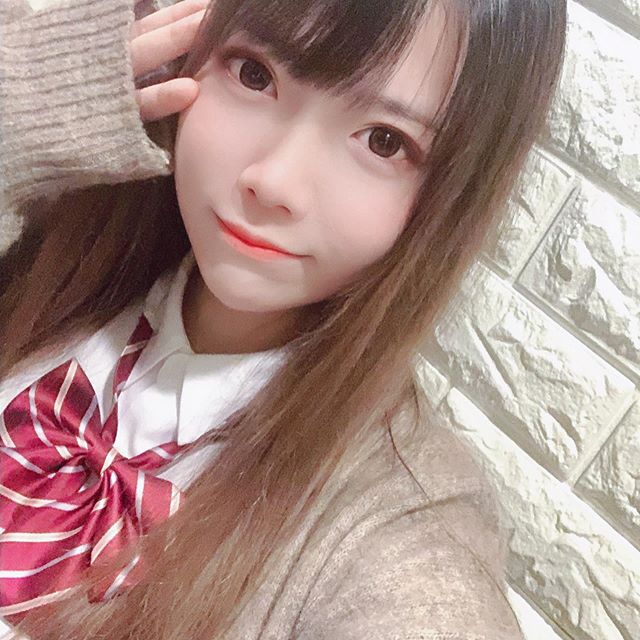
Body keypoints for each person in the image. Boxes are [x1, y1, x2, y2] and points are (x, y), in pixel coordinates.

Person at [0, 0, 567, 637]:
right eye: (254, 74)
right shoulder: (60, 252)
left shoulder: (394, 534)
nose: (273, 183)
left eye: (384, 141)